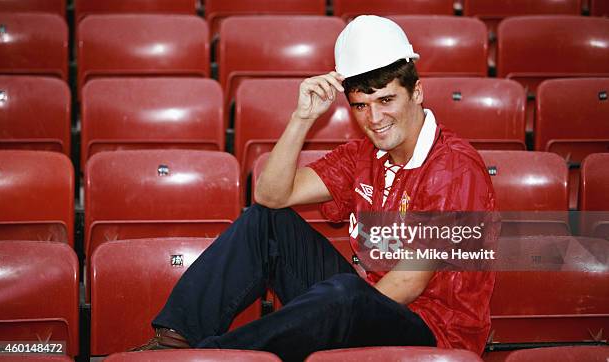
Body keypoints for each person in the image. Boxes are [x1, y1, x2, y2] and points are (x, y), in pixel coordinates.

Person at [134, 15, 496, 360]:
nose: (374, 119)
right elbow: (271, 195)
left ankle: (209, 359)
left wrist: (343, 308)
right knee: (266, 222)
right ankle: (174, 342)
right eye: (360, 106)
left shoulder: (455, 167)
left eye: (386, 100)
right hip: (368, 304)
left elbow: (409, 283)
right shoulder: (363, 154)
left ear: (416, 92)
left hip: (434, 332)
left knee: (345, 295)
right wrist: (302, 117)